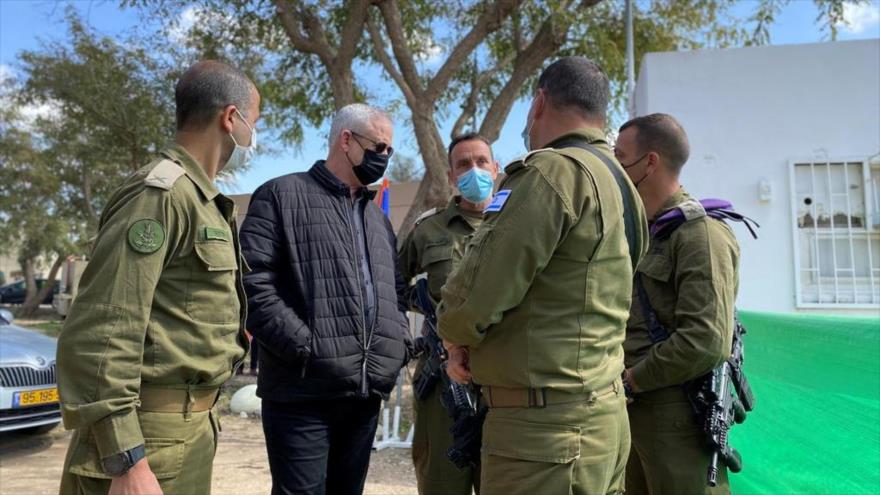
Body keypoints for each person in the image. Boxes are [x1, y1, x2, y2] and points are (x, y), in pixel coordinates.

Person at [437, 56, 649, 495]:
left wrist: (454, 337)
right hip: (603, 419)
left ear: (538, 104)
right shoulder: (621, 182)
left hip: (543, 434)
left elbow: (474, 295)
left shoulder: (551, 172)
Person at [56, 60, 258, 495]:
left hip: (188, 426)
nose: (252, 137)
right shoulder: (161, 194)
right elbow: (103, 329)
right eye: (253, 123)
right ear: (230, 118)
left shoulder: (201, 199)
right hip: (149, 437)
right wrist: (126, 457)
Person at [240, 103, 411, 495]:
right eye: (379, 147)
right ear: (346, 140)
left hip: (364, 396)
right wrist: (308, 348)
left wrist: (396, 346)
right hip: (301, 394)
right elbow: (253, 285)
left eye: (389, 151)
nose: (384, 157)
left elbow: (395, 294)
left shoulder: (377, 219)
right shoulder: (280, 196)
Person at [614, 113, 740, 495]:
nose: (614, 168)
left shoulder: (700, 234)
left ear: (649, 162)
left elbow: (705, 339)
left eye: (620, 157)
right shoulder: (644, 233)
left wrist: (632, 380)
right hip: (635, 412)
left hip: (677, 416)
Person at [397, 132, 500, 495]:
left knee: (502, 482)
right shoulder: (429, 229)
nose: (474, 170)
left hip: (505, 379)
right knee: (441, 481)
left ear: (496, 168)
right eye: (463, 165)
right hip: (442, 381)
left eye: (481, 162)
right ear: (452, 175)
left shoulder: (517, 226)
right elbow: (393, 285)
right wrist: (427, 307)